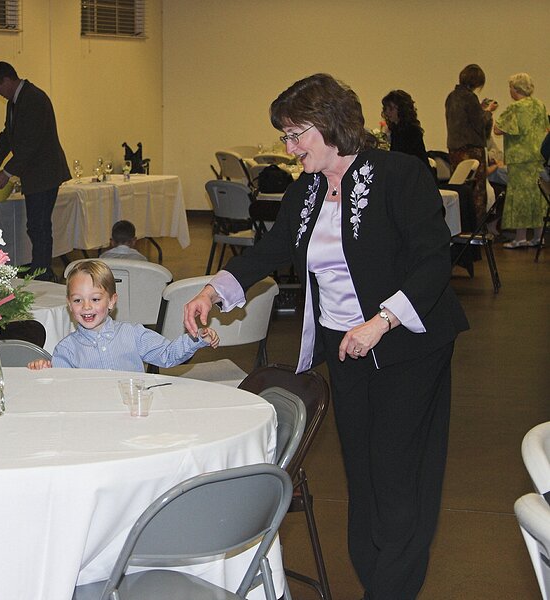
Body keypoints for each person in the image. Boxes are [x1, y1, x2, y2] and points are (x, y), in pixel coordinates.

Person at [183, 74, 469, 600]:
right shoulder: (307, 189)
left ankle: (392, 590)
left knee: (398, 473)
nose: (290, 148)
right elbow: (270, 252)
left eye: (296, 135)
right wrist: (212, 292)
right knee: (361, 470)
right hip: (346, 348)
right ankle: (374, 578)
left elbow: (433, 261)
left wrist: (381, 321)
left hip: (408, 344)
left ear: (331, 124)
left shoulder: (399, 175)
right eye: (285, 136)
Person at [28, 260, 218, 371]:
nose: (86, 307)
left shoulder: (132, 334)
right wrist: (45, 370)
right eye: (78, 300)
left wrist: (197, 339)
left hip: (132, 414)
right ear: (69, 304)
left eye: (95, 299)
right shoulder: (66, 349)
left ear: (111, 301)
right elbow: (61, 388)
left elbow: (167, 354)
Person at [0, 61, 70, 281]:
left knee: (39, 225)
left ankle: (43, 272)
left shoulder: (34, 99)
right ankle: (40, 269)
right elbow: (8, 136)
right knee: (36, 225)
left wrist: (6, 173)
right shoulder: (16, 101)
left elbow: (31, 143)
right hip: (35, 173)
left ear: (7, 80)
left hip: (44, 172)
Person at [492, 73, 548, 249]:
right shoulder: (540, 105)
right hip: (537, 157)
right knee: (537, 196)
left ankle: (520, 237)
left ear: (515, 89)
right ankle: (538, 236)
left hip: (519, 159)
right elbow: (546, 128)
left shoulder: (514, 108)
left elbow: (497, 129)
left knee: (519, 197)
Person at [445, 64, 497, 223]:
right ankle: (477, 225)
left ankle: (461, 223)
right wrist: (488, 111)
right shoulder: (470, 97)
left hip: (454, 149)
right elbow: (480, 124)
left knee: (460, 188)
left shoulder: (451, 97)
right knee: (477, 192)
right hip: (472, 150)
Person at [381, 90, 429, 167]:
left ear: (401, 109)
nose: (387, 113)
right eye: (386, 109)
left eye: (391, 109)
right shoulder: (396, 130)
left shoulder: (412, 131)